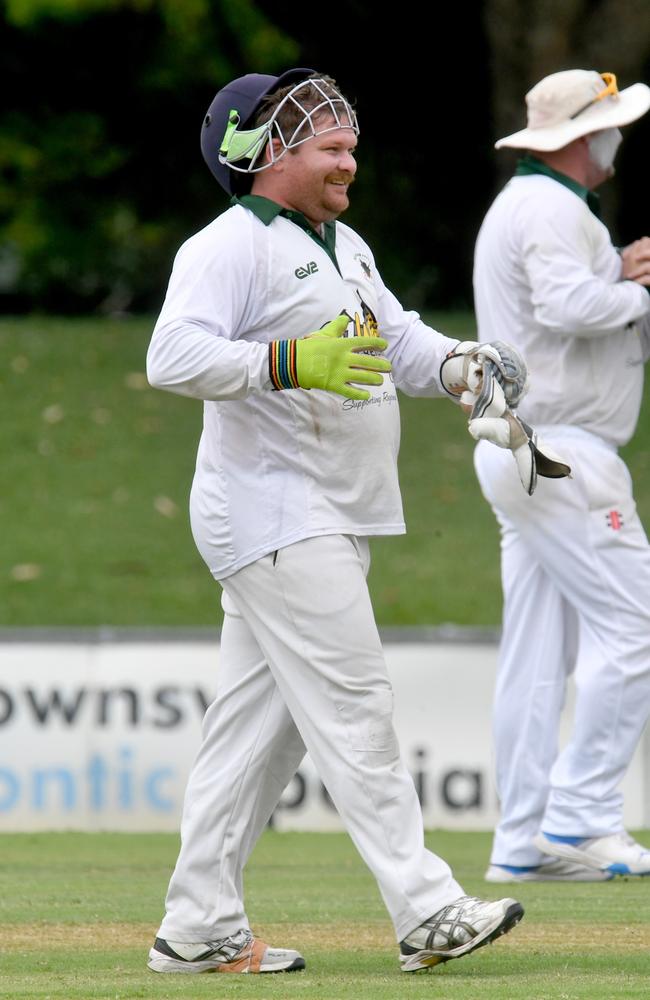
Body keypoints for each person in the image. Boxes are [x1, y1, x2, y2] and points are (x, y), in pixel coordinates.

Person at [144, 68, 527, 975]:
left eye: (350, 142)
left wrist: (463, 365)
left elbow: (396, 342)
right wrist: (285, 360)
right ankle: (427, 908)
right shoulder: (229, 243)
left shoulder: (342, 244)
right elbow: (170, 354)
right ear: (267, 155)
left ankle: (197, 927)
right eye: (329, 146)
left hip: (320, 512)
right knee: (358, 710)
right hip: (274, 511)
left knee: (253, 740)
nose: (350, 157)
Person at [472, 69, 650, 883]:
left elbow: (574, 298)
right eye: (610, 125)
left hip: (527, 445)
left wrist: (617, 273)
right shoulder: (548, 206)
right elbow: (566, 307)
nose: (619, 138)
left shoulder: (537, 205)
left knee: (537, 652)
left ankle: (523, 842)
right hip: (563, 448)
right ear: (581, 138)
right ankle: (579, 817)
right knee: (637, 627)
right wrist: (633, 287)